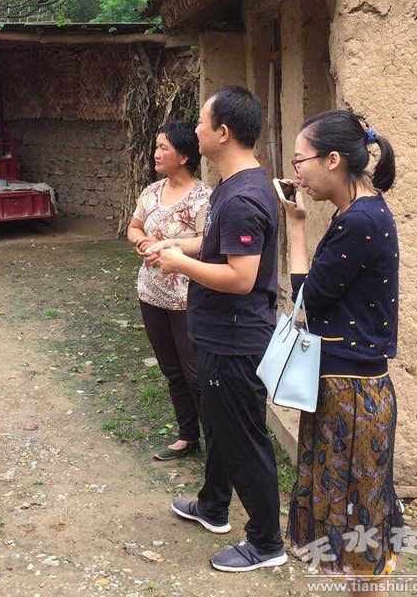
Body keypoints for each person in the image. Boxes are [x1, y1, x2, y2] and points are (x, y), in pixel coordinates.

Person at [150, 86, 287, 571]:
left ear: (222, 132)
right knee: (220, 426)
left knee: (243, 438)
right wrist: (175, 246)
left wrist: (179, 265)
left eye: (201, 123)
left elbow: (241, 277)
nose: (196, 130)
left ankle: (267, 542)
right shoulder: (233, 185)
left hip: (234, 341)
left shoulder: (243, 197)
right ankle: (213, 505)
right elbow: (217, 246)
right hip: (218, 334)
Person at [280, 110, 401, 595]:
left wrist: (295, 227)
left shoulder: (359, 221)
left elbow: (306, 299)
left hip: (351, 396)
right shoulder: (359, 212)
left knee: (356, 530)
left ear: (332, 160)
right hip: (349, 388)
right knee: (356, 524)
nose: (296, 173)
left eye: (300, 160)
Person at [127, 121, 210, 460]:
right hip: (151, 293)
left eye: (164, 148)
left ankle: (217, 443)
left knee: (194, 373)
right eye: (156, 146)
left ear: (184, 156)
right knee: (172, 370)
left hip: (187, 298)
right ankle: (188, 437)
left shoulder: (203, 198)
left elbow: (207, 243)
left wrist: (171, 247)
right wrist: (143, 242)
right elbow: (134, 228)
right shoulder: (151, 192)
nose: (156, 153)